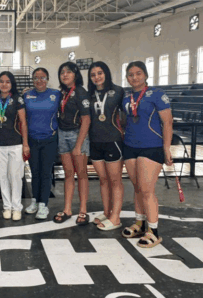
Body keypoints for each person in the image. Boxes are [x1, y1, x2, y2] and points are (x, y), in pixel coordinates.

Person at [121, 61, 173, 248]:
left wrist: (166, 148)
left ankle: (154, 230)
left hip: (151, 146)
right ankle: (140, 223)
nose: (134, 77)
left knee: (147, 189)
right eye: (130, 74)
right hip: (130, 146)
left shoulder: (157, 94)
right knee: (137, 188)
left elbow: (167, 122)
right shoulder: (126, 96)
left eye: (138, 73)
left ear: (145, 75)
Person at [84, 61, 127, 231]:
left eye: (100, 73)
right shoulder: (89, 94)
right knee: (103, 180)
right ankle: (107, 212)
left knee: (115, 180)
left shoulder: (118, 91)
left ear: (106, 73)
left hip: (113, 141)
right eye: (93, 74)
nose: (96, 77)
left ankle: (116, 217)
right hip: (95, 141)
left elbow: (127, 115)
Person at [55, 61, 91, 225]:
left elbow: (86, 120)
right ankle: (67, 209)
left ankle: (83, 210)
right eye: (62, 72)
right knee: (68, 174)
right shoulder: (62, 93)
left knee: (81, 174)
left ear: (75, 74)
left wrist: (78, 145)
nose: (65, 75)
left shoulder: (81, 93)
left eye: (69, 72)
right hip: (63, 134)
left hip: (78, 135)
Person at [23, 68, 61, 220]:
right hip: (32, 139)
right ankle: (34, 201)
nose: (39, 81)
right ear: (32, 80)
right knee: (34, 172)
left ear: (47, 79)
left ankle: (43, 204)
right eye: (36, 78)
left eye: (42, 77)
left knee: (46, 173)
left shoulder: (56, 94)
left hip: (49, 139)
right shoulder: (27, 95)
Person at [0, 71, 29, 221]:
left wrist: (25, 144)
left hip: (16, 143)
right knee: (3, 177)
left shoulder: (17, 99)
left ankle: (17, 207)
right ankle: (7, 207)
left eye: (7, 81)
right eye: (1, 81)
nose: (4, 84)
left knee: (15, 176)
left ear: (12, 84)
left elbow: (23, 123)